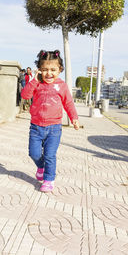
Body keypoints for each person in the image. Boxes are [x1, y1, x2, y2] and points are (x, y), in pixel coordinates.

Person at [21, 50, 79, 193]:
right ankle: (41, 166)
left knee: (50, 155)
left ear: (60, 70)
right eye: (45, 70)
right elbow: (25, 95)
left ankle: (49, 179)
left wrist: (74, 118)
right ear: (39, 69)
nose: (49, 73)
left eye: (53, 70)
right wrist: (34, 80)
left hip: (54, 128)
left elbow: (69, 103)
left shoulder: (62, 85)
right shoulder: (37, 83)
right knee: (34, 153)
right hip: (36, 127)